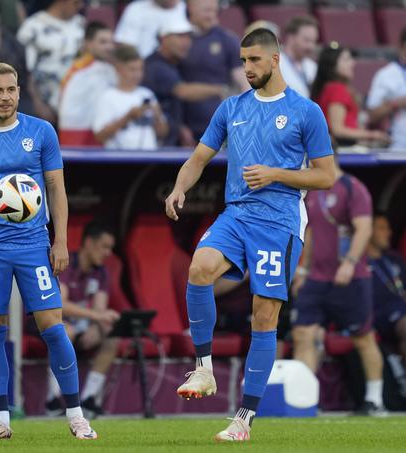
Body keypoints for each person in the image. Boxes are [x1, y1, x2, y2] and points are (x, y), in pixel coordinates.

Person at [164, 28, 335, 441]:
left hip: (279, 223)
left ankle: (244, 419)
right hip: (238, 214)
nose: (247, 69)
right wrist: (179, 187)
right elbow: (199, 158)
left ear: (275, 60)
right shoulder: (231, 108)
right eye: (243, 61)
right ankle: (204, 370)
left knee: (264, 313)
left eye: (254, 61)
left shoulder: (305, 111)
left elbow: (326, 175)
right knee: (200, 267)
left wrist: (275, 174)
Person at [0, 62, 97, 440]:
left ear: (19, 91)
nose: (5, 97)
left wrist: (61, 240)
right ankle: (0, 420)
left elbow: (56, 188)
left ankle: (75, 415)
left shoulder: (41, 132)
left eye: (11, 89)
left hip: (33, 245)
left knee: (53, 327)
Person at [290, 154, 385, 415]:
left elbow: (364, 229)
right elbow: (310, 232)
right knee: (303, 334)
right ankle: (305, 402)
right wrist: (303, 269)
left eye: (311, 156)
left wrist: (350, 262)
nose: (306, 163)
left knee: (363, 337)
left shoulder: (352, 188)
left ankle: (375, 400)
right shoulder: (310, 191)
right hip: (317, 279)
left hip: (350, 279)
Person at [46, 221, 120, 418]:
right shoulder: (67, 263)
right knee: (64, 331)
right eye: (104, 247)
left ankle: (88, 398)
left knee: (110, 337)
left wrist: (98, 325)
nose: (108, 253)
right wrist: (97, 317)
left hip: (80, 328)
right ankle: (54, 399)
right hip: (51, 324)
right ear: (89, 243)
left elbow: (100, 309)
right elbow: (60, 305)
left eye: (110, 248)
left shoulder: (101, 272)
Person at [142, 18, 227, 146]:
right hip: (153, 144)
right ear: (163, 39)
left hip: (171, 140)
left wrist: (180, 127)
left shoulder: (174, 64)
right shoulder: (156, 66)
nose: (186, 42)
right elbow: (183, 91)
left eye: (188, 37)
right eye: (180, 36)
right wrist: (222, 90)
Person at [177, 0, 249, 141]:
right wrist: (178, 125)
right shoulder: (177, 39)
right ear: (191, 8)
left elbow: (244, 81)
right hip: (185, 121)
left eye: (214, 11)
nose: (211, 15)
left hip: (220, 123)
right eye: (206, 10)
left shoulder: (227, 39)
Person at [311, 44, 390, 147]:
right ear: (332, 65)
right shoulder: (336, 89)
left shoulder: (328, 87)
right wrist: (373, 135)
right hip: (343, 152)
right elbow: (338, 130)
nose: (352, 63)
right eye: (346, 60)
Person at [17, 0, 85, 118]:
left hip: (76, 107)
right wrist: (37, 104)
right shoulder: (33, 26)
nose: (81, 6)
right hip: (44, 107)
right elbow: (24, 70)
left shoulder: (81, 24)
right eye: (76, 2)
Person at [92, 45, 168, 150]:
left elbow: (162, 133)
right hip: (120, 159)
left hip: (150, 158)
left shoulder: (147, 94)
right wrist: (128, 117)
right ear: (119, 69)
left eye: (140, 69)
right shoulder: (107, 97)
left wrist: (157, 115)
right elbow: (100, 136)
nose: (137, 74)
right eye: (132, 69)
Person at [367, 213, 406, 394]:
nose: (389, 233)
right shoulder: (359, 263)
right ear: (368, 230)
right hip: (379, 317)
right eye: (382, 228)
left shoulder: (394, 259)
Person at [58, 21, 117, 135]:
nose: (109, 47)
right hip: (78, 133)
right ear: (89, 43)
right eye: (103, 42)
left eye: (111, 42)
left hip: (99, 131)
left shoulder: (108, 67)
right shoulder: (79, 69)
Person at [366, 27, 406, 152]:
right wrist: (397, 103)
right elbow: (372, 115)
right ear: (402, 45)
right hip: (400, 147)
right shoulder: (386, 74)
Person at [114, 0, 187, 59]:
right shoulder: (136, 8)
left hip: (180, 65)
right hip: (143, 65)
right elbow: (126, 45)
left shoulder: (186, 8)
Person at [278, 16, 319, 99]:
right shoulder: (275, 64)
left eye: (314, 41)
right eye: (306, 40)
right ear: (291, 37)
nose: (311, 46)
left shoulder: (313, 66)